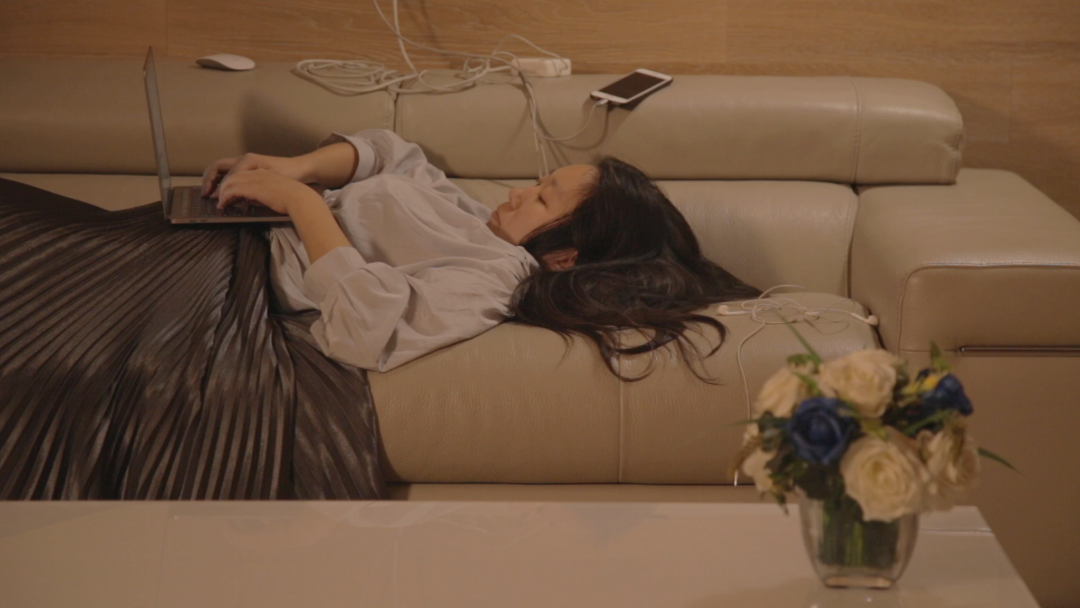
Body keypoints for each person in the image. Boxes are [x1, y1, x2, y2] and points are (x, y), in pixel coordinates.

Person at [207, 129, 760, 380]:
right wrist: (296, 168)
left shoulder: (496, 277)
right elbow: (394, 154)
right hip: (233, 225)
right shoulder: (477, 221)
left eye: (542, 200)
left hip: (228, 272)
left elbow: (364, 324)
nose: (518, 193)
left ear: (565, 258)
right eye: (538, 183)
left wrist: (302, 204)